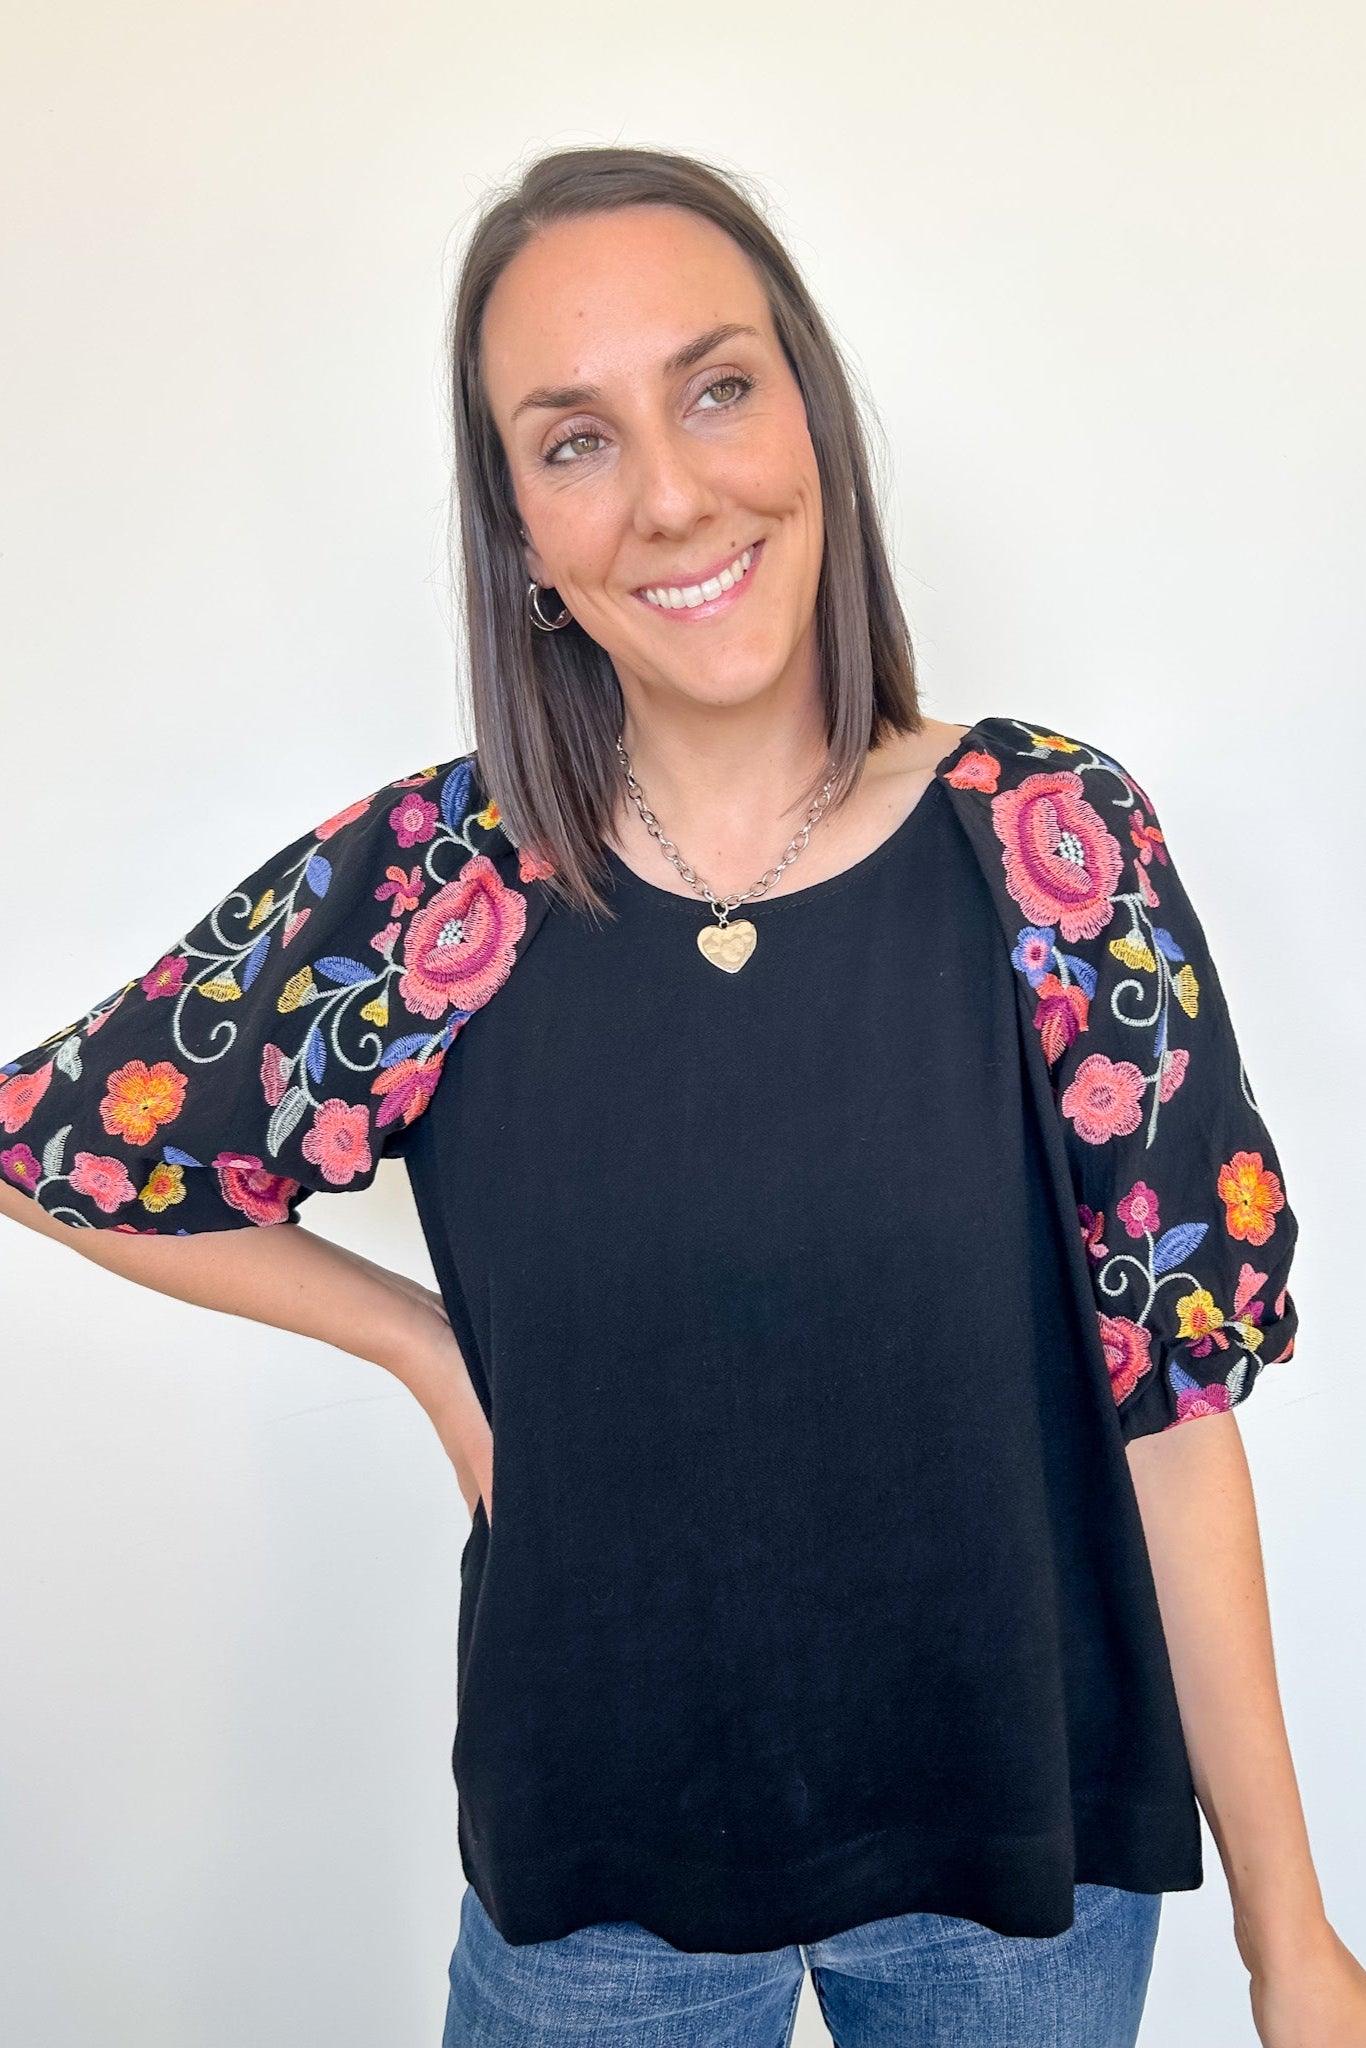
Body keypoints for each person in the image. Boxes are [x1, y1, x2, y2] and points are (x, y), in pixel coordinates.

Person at [1, 143, 1361, 2048]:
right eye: (573, 441)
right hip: (602, 1897)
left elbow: (1175, 1417)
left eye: (716, 387)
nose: (667, 492)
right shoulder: (438, 889)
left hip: (1020, 1882)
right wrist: (422, 1347)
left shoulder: (1052, 847)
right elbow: (59, 1145)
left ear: (811, 413)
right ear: (521, 538)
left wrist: (1291, 1938)